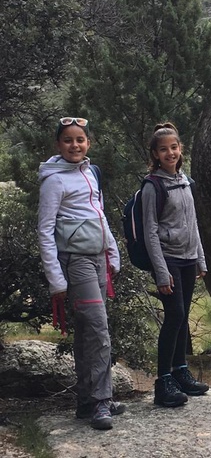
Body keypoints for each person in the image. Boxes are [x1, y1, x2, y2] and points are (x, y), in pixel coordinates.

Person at [38, 117, 125, 430]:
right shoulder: (54, 181)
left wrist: (112, 252)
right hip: (76, 262)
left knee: (89, 332)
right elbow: (45, 230)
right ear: (58, 145)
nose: (75, 145)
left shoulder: (92, 172)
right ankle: (102, 402)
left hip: (98, 258)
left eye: (80, 140)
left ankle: (86, 399)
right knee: (99, 328)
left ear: (89, 143)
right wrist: (56, 280)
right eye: (68, 140)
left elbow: (98, 216)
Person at [143, 122, 209, 407]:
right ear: (155, 154)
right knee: (175, 316)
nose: (170, 152)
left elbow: (193, 224)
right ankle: (163, 381)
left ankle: (181, 371)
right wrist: (160, 271)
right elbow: (149, 231)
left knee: (182, 317)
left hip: (187, 258)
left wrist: (200, 259)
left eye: (174, 147)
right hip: (168, 259)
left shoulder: (185, 182)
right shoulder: (152, 186)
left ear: (180, 149)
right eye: (163, 149)